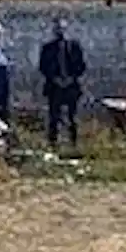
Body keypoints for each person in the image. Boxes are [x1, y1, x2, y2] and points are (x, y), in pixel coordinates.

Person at [36, 18, 89, 152]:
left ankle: (73, 143)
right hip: (54, 87)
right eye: (57, 29)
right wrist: (55, 78)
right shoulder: (47, 48)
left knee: (72, 116)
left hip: (71, 86)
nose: (60, 32)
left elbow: (81, 66)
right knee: (54, 116)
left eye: (62, 28)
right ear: (54, 31)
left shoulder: (74, 46)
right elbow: (43, 67)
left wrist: (71, 78)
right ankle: (53, 144)